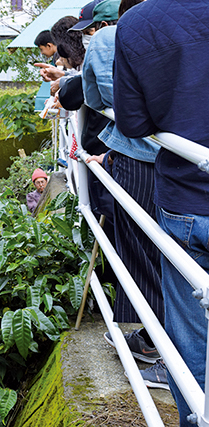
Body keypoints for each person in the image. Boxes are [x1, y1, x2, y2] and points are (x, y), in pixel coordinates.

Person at [114, 1, 209, 424]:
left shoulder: (136, 23)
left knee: (190, 338)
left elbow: (133, 123)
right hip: (184, 200)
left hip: (186, 203)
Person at [81, 0, 165, 387]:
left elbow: (96, 99)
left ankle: (154, 340)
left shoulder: (106, 40)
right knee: (177, 252)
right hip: (187, 156)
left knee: (140, 250)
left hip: (137, 154)